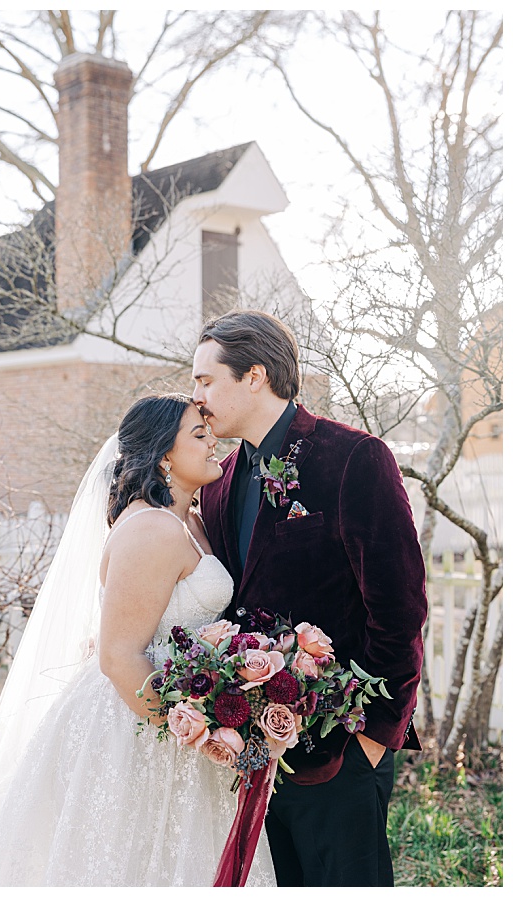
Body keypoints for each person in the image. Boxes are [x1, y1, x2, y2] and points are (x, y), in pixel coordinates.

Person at [0, 394, 276, 886]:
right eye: (200, 436)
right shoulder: (152, 529)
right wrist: (191, 730)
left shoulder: (189, 522)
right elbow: (118, 655)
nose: (216, 444)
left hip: (180, 710)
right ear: (165, 454)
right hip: (139, 723)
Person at [192, 309, 426, 887]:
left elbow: (400, 607)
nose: (195, 397)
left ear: (254, 376)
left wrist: (374, 736)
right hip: (253, 750)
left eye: (205, 379)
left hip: (342, 746)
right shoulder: (217, 483)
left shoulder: (354, 458)